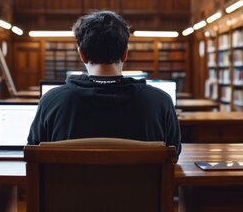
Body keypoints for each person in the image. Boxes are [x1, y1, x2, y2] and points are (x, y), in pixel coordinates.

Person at [27, 11, 182, 158]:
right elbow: (172, 155)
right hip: (141, 187)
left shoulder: (51, 102)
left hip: (68, 187)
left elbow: (33, 155)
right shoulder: (161, 102)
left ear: (82, 55)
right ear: (125, 53)